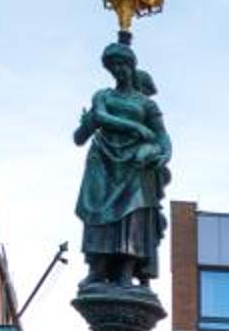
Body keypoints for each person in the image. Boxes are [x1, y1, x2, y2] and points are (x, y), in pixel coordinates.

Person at [73, 40, 172, 285]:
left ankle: (127, 271)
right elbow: (100, 117)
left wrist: (164, 154)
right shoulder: (103, 95)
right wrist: (135, 127)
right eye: (113, 65)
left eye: (122, 64)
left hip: (134, 165)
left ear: (131, 65)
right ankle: (97, 268)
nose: (118, 69)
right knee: (97, 210)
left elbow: (162, 135)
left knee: (133, 215)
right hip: (103, 159)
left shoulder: (146, 104)